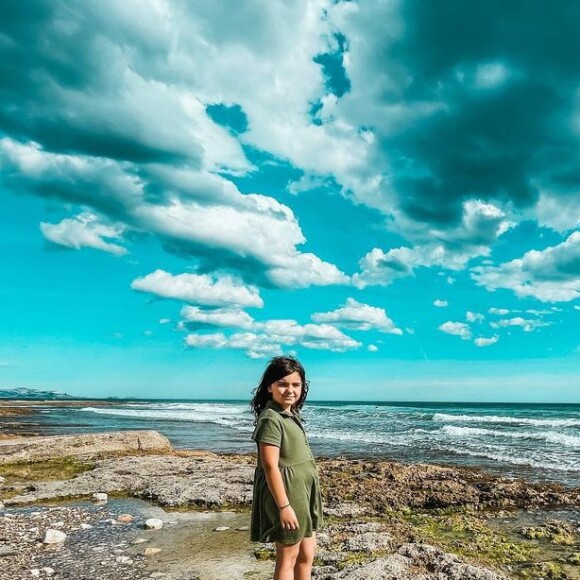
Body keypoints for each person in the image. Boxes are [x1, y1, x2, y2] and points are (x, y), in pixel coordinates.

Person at [249, 356, 323, 580]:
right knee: (288, 556)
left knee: (307, 553)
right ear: (269, 387)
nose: (289, 390)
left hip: (303, 493)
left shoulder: (290, 414)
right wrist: (284, 506)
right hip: (288, 494)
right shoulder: (271, 418)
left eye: (295, 384)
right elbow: (270, 465)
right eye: (282, 383)